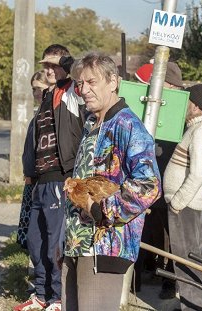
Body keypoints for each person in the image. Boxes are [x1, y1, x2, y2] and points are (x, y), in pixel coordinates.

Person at [61, 52, 161, 310]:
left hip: (104, 247)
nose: (84, 90)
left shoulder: (127, 125)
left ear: (113, 82)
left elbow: (149, 185)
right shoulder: (93, 123)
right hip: (77, 242)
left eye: (92, 82)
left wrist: (100, 210)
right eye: (80, 84)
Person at [14, 44, 85, 311]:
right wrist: (29, 174)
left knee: (56, 243)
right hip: (40, 181)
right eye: (46, 66)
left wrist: (67, 65)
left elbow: (78, 74)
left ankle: (58, 299)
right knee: (35, 240)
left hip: (60, 177)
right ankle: (41, 294)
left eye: (55, 65)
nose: (49, 70)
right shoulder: (47, 97)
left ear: (65, 65)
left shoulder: (72, 93)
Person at [132, 61, 184, 299]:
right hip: (147, 181)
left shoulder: (179, 110)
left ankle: (170, 281)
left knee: (170, 237)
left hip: (169, 182)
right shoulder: (150, 106)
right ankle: (137, 276)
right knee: (143, 230)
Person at [164, 84, 202, 311]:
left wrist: (177, 203)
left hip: (185, 206)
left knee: (187, 259)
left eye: (187, 102)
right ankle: (194, 304)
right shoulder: (196, 128)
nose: (183, 106)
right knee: (187, 257)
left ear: (195, 106)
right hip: (184, 205)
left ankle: (193, 307)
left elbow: (197, 175)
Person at [17, 70, 51, 250]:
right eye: (33, 89)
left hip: (40, 179)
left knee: (37, 228)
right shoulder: (38, 113)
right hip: (32, 179)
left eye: (39, 88)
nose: (36, 93)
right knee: (31, 228)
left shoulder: (48, 113)